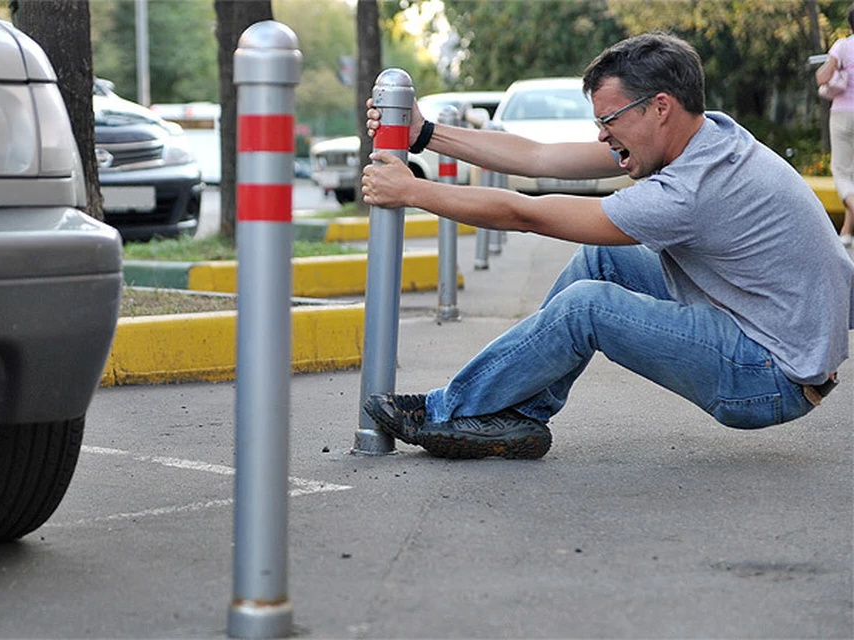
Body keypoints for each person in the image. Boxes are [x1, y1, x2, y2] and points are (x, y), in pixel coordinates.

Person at [360, 32, 854, 461]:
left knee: (587, 307)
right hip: (773, 335)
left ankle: (449, 411)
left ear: (660, 106)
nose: (602, 134)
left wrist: (414, 191)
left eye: (610, 119)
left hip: (768, 377)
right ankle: (515, 414)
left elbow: (524, 214)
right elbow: (539, 156)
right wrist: (426, 134)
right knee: (604, 259)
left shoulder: (688, 192)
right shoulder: (710, 134)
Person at [816, 4, 854, 248]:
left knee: (840, 171)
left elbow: (822, 78)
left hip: (842, 114)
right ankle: (847, 233)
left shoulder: (842, 46)